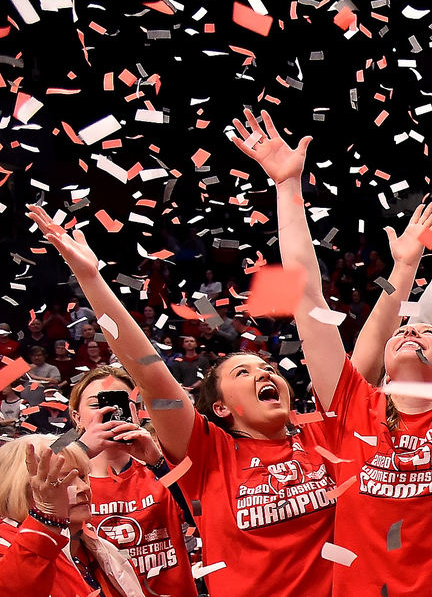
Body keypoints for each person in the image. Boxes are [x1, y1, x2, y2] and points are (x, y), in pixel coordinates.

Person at [230, 107, 432, 596]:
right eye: (402, 332)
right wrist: (287, 188)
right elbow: (307, 297)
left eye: (429, 334)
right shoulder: (352, 406)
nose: (411, 333)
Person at [28, 200, 338, 597]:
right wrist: (92, 279)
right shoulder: (210, 455)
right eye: (242, 372)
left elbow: (314, 306)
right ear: (220, 407)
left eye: (268, 370)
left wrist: (288, 187)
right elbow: (150, 372)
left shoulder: (322, 438)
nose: (263, 372)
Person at [68, 366, 196, 597]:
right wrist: (82, 450)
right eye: (97, 405)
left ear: (135, 412)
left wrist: (158, 464)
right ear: (76, 417)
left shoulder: (164, 467)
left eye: (119, 404)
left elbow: (202, 514)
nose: (109, 411)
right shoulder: (67, 483)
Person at [0, 435, 144, 596]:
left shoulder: (98, 545)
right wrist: (46, 520)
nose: (83, 488)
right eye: (63, 481)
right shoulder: (5, 548)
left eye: (82, 476)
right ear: (21, 489)